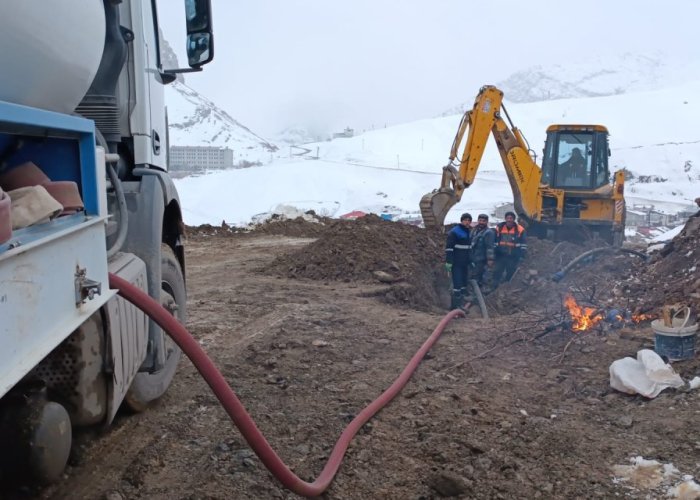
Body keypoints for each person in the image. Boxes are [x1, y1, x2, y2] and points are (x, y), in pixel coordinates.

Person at [445, 212, 472, 309]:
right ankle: (455, 306)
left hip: (464, 262)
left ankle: (462, 304)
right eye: (465, 220)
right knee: (457, 283)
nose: (467, 222)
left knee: (464, 283)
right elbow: (449, 248)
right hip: (456, 262)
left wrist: (470, 261)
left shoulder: (468, 231)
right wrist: (449, 261)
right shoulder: (455, 232)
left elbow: (468, 249)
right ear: (461, 221)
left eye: (469, 220)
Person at [493, 211, 527, 287]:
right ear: (505, 219)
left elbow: (523, 244)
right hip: (500, 255)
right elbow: (495, 240)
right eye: (507, 218)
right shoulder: (500, 227)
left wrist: (522, 255)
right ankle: (494, 287)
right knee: (497, 271)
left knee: (510, 272)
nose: (509, 220)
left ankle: (506, 288)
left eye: (511, 218)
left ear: (514, 219)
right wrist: (494, 252)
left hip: (513, 256)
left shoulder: (520, 229)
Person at [470, 214, 495, 292]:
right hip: (473, 257)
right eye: (480, 220)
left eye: (483, 221)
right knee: (472, 275)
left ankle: (478, 294)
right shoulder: (474, 230)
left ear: (487, 222)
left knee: (478, 276)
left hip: (481, 258)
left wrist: (490, 259)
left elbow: (490, 247)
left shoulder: (488, 233)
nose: (481, 222)